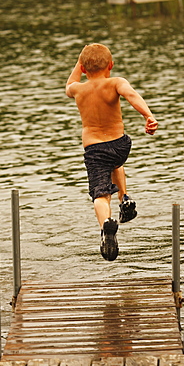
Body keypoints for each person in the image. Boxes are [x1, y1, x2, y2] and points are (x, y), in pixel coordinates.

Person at [65, 43, 158, 262]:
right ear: (111, 65)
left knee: (99, 194)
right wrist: (148, 116)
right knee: (115, 163)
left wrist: (79, 64)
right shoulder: (116, 82)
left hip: (95, 149)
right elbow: (132, 95)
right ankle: (123, 197)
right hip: (120, 145)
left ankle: (106, 225)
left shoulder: (78, 89)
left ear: (84, 69)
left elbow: (70, 83)